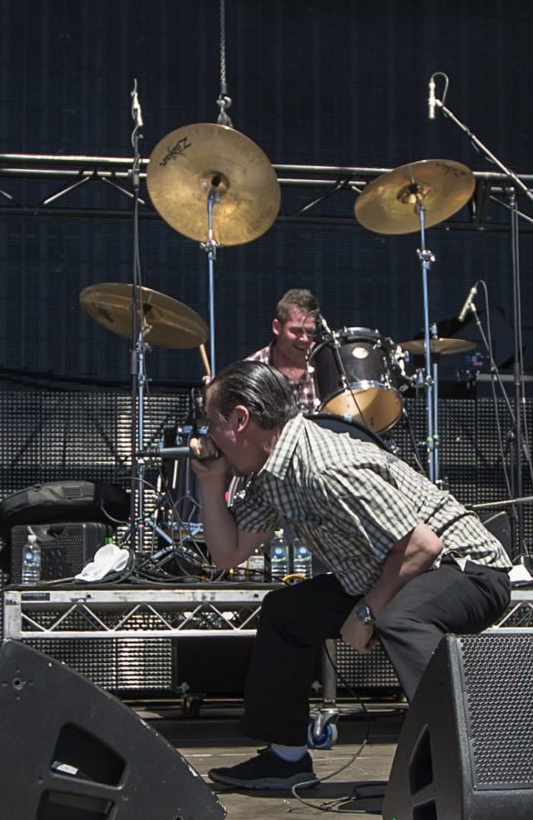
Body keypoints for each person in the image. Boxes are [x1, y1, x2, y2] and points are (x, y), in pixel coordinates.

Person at [191, 360, 512, 789]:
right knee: (286, 612)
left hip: (466, 567)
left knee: (400, 621)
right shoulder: (271, 474)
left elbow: (423, 545)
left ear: (241, 419)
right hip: (395, 571)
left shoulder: (327, 466)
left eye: (212, 423)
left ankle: (465, 763)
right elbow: (228, 554)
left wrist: (365, 613)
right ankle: (285, 759)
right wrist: (212, 483)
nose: (207, 436)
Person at [245, 287, 322, 413]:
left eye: (310, 332)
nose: (304, 339)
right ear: (277, 327)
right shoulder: (252, 371)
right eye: (296, 331)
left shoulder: (326, 363)